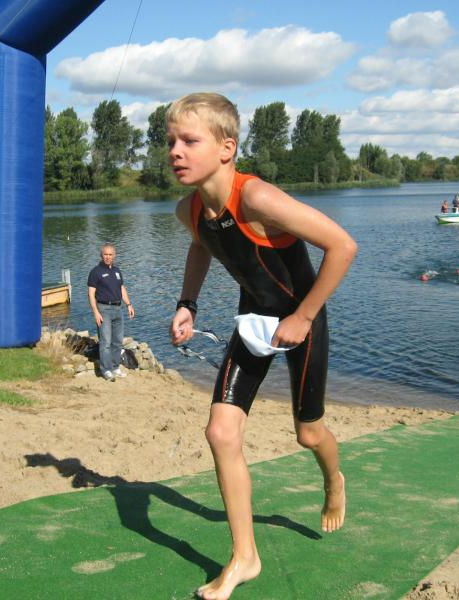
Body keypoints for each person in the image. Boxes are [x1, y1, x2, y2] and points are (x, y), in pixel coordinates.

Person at [167, 92, 357, 600]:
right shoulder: (190, 210)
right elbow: (200, 247)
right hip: (254, 323)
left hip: (303, 320)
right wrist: (188, 304)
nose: (175, 152)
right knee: (220, 431)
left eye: (189, 141)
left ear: (226, 148)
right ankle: (245, 557)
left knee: (308, 434)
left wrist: (303, 316)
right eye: (171, 142)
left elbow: (342, 246)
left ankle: (333, 480)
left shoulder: (256, 199)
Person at [87, 243, 135, 381]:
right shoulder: (96, 272)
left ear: (114, 255)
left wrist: (129, 305)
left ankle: (115, 367)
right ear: (101, 255)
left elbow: (122, 289)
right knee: (106, 342)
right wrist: (96, 312)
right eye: (105, 254)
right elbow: (91, 294)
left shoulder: (117, 271)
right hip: (104, 309)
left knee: (117, 341)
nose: (108, 257)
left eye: (110, 254)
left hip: (118, 309)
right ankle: (106, 370)